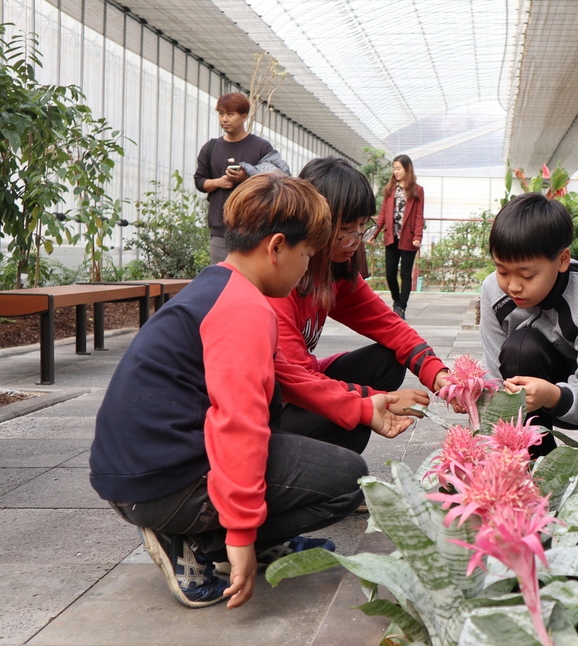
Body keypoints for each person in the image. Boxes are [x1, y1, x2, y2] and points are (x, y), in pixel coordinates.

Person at [89, 175, 413, 610]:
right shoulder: (245, 309)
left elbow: (272, 387)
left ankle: (215, 532)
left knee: (323, 444)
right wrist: (240, 533)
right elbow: (237, 423)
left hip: (131, 474)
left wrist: (359, 405)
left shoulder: (217, 285)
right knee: (345, 481)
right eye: (307, 255)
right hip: (164, 483)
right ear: (277, 247)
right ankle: (201, 541)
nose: (307, 269)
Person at [269, 157, 451, 454]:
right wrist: (377, 401)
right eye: (345, 229)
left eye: (361, 227)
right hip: (273, 406)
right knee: (352, 424)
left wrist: (439, 374)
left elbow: (391, 326)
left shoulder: (334, 270)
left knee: (386, 363)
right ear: (312, 220)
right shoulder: (277, 285)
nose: (355, 241)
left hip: (300, 385)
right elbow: (296, 381)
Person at [479, 193, 578, 495]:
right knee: (520, 349)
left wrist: (553, 395)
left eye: (526, 274)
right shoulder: (493, 291)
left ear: (563, 260)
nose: (513, 285)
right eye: (502, 270)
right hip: (542, 378)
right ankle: (535, 460)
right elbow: (494, 382)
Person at [194, 91, 287, 264]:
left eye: (230, 114)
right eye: (221, 114)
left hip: (253, 228)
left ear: (244, 116)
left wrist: (247, 176)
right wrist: (218, 182)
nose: (224, 119)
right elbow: (200, 180)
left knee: (250, 281)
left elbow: (278, 176)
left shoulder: (260, 147)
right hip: (220, 228)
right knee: (221, 279)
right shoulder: (211, 147)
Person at [373, 154, 424, 319]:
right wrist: (374, 233)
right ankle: (397, 302)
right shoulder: (390, 190)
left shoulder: (417, 191)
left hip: (408, 238)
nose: (395, 172)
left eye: (398, 168)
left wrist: (418, 236)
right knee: (390, 273)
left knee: (406, 274)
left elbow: (418, 216)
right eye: (394, 168)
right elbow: (382, 214)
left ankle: (401, 306)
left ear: (407, 169)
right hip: (391, 237)